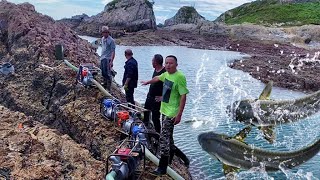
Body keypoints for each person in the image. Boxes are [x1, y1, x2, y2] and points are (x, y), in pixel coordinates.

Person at [141, 55, 189, 176]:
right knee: (169, 137)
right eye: (166, 63)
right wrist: (148, 82)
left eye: (171, 63)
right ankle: (171, 157)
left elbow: (183, 96)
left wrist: (179, 114)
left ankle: (162, 167)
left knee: (163, 138)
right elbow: (158, 78)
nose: (168, 65)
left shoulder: (180, 77)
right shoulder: (166, 74)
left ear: (176, 65)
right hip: (164, 110)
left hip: (172, 113)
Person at [144, 54, 166, 134]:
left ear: (155, 62)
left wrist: (163, 97)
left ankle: (158, 134)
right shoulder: (155, 69)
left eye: (152, 61)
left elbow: (169, 87)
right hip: (150, 95)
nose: (151, 62)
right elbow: (154, 80)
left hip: (157, 98)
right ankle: (145, 127)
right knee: (146, 111)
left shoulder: (165, 72)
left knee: (155, 117)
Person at [100, 26, 115, 91]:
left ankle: (108, 88)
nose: (105, 33)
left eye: (106, 32)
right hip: (102, 58)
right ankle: (105, 84)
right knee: (103, 72)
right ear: (102, 33)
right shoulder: (102, 39)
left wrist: (111, 61)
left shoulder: (111, 41)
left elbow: (113, 52)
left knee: (108, 74)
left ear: (108, 32)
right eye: (104, 32)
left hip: (108, 59)